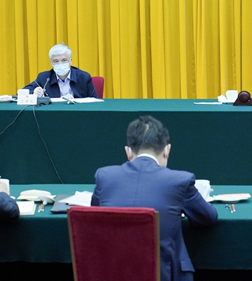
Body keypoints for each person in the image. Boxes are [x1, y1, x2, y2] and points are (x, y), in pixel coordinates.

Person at [91, 116, 217, 281]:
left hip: (112, 273)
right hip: (166, 275)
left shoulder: (104, 176)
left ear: (128, 152)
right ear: (167, 150)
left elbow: (94, 214)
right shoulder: (180, 181)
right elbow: (208, 217)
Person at [23, 43, 97, 99]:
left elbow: (95, 101)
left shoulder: (83, 77)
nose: (60, 64)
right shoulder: (44, 78)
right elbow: (22, 93)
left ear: (70, 61)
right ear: (51, 63)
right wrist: (33, 93)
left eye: (64, 60)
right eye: (56, 61)